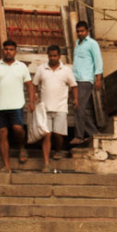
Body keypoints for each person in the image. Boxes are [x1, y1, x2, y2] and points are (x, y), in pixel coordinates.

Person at [0, 37, 33, 172]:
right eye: (6, 49)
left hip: (17, 105)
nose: (8, 52)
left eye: (11, 50)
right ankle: (7, 166)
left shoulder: (21, 67)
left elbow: (30, 85)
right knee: (2, 134)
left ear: (15, 51)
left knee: (17, 128)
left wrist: (31, 101)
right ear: (3, 51)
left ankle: (22, 147)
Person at [31, 43, 79, 171]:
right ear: (48, 56)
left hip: (61, 108)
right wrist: (34, 96)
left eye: (55, 56)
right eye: (50, 56)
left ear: (59, 56)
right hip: (45, 109)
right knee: (47, 135)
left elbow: (74, 86)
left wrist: (75, 99)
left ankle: (58, 150)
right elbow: (34, 84)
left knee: (58, 134)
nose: (52, 58)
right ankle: (46, 164)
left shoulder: (66, 70)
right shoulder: (41, 69)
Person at [71, 19, 104, 146]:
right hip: (76, 80)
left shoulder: (92, 44)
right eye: (78, 31)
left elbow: (98, 61)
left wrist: (98, 79)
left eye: (82, 31)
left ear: (87, 31)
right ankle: (94, 133)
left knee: (79, 107)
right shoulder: (77, 44)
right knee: (79, 108)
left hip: (86, 80)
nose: (80, 33)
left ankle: (79, 136)